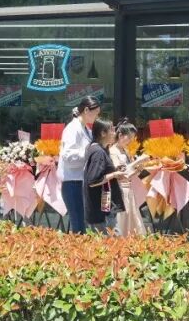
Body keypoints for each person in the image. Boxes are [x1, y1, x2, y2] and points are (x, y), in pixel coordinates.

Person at [59, 96, 100, 234]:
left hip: (81, 181)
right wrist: (90, 153)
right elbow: (68, 156)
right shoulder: (73, 128)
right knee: (79, 227)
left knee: (83, 226)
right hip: (73, 183)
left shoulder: (85, 129)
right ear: (86, 110)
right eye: (96, 113)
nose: (97, 117)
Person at [83, 118, 126, 234]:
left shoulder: (97, 149)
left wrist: (115, 171)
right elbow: (93, 180)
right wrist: (114, 174)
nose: (114, 133)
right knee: (111, 240)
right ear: (103, 133)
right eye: (111, 130)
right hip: (101, 210)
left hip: (103, 207)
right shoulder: (98, 152)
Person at [110, 120, 148, 236]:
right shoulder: (112, 151)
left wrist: (139, 169)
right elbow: (120, 172)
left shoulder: (125, 151)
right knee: (122, 220)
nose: (131, 140)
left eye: (133, 137)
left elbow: (129, 174)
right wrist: (138, 161)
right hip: (120, 190)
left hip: (129, 189)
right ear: (120, 135)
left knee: (132, 221)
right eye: (129, 137)